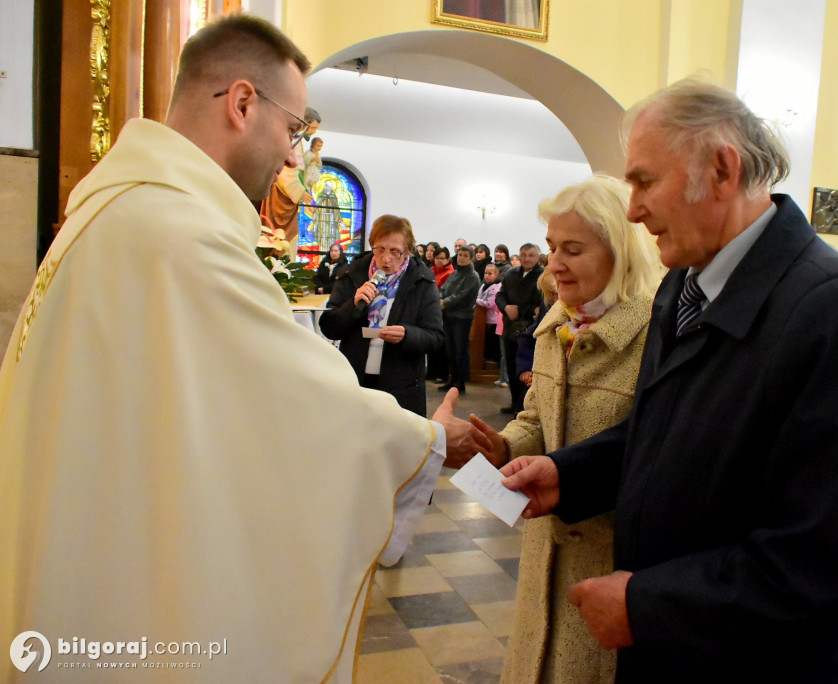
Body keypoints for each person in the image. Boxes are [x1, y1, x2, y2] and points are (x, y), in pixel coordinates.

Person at [0, 16, 488, 682]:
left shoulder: (108, 207)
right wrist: (427, 443)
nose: (294, 157)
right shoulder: (179, 234)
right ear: (241, 103)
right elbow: (294, 400)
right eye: (294, 131)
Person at [500, 77, 838, 682]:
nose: (634, 208)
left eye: (645, 181)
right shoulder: (684, 285)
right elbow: (664, 432)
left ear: (722, 169)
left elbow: (833, 555)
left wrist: (649, 606)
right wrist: (572, 472)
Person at [459, 175, 662, 683]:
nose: (554, 264)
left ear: (621, 251)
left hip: (611, 562)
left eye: (572, 249)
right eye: (551, 247)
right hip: (544, 552)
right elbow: (536, 415)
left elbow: (657, 453)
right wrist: (503, 444)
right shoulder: (558, 323)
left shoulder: (657, 337)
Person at [319, 215, 444, 416]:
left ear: (408, 251)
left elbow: (435, 338)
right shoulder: (351, 274)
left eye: (395, 251)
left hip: (400, 384)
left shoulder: (422, 282)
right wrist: (352, 305)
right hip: (354, 380)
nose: (386, 259)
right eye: (380, 249)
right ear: (372, 245)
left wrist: (407, 335)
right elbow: (329, 327)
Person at [260, 106, 321, 246]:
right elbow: (286, 172)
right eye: (313, 128)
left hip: (289, 197)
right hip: (281, 196)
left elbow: (299, 168)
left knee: (289, 236)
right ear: (305, 123)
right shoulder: (290, 141)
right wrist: (301, 193)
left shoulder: (297, 142)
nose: (314, 132)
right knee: (279, 238)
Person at [496, 243, 544, 414]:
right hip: (510, 327)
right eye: (523, 254)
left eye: (531, 255)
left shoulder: (542, 276)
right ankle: (514, 402)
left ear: (538, 256)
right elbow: (500, 294)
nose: (526, 258)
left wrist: (524, 310)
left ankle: (525, 408)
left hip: (529, 329)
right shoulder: (511, 273)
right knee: (511, 366)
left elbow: (540, 305)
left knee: (527, 369)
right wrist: (506, 307)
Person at [438, 245, 480, 395]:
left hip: (462, 318)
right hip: (449, 316)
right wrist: (440, 297)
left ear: (471, 258)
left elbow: (464, 295)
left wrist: (446, 302)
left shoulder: (473, 276)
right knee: (450, 350)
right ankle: (452, 379)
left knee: (460, 350)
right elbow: (444, 287)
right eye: (460, 254)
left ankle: (460, 382)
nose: (461, 257)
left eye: (465, 255)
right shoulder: (455, 273)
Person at [476, 263, 503, 366]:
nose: (486, 275)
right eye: (485, 273)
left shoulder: (497, 287)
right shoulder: (483, 285)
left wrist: (476, 300)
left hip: (493, 320)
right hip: (482, 319)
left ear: (496, 274)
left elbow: (490, 303)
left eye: (490, 273)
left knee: (493, 345)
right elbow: (480, 298)